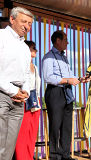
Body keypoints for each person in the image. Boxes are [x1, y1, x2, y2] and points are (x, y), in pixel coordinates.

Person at [42, 30, 88, 160]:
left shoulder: (64, 57)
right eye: (65, 40)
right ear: (58, 40)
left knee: (67, 126)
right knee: (55, 125)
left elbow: (69, 75)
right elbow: (48, 77)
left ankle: (65, 155)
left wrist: (80, 78)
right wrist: (68, 80)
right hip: (55, 92)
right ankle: (54, 156)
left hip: (67, 92)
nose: (67, 42)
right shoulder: (48, 57)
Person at [0, 7, 33, 160]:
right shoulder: (1, 37)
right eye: (24, 21)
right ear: (12, 20)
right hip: (2, 95)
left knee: (9, 146)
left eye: (30, 24)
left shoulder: (25, 48)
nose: (27, 26)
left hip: (19, 99)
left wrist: (25, 90)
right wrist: (12, 91)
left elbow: (26, 73)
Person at [13, 40, 41, 160]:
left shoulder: (35, 67)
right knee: (22, 133)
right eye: (33, 48)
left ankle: (29, 156)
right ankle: (21, 157)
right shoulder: (20, 65)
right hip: (24, 101)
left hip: (35, 102)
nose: (35, 51)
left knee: (32, 133)